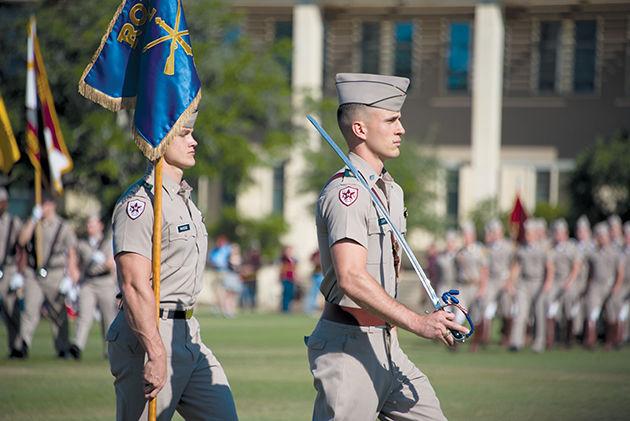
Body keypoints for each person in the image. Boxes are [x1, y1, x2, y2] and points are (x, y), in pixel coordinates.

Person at [306, 72, 468, 421]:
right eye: (392, 120)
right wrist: (418, 323)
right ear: (361, 129)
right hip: (349, 347)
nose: (401, 129)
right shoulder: (346, 193)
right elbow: (350, 277)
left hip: (387, 344)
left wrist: (430, 315)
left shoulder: (390, 191)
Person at [108, 114, 238, 420]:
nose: (194, 142)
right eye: (185, 135)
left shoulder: (185, 201)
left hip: (188, 333)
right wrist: (154, 352)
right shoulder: (140, 204)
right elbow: (134, 285)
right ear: (161, 140)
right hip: (150, 332)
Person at [13, 193, 80, 358]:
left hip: (55, 273)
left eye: (45, 204)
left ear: (52, 205)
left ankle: (62, 347)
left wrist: (71, 277)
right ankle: (23, 345)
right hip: (33, 273)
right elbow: (21, 241)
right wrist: (32, 220)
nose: (43, 207)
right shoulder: (33, 223)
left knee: (58, 312)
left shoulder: (62, 226)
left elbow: (71, 251)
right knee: (29, 310)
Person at [69, 215, 117, 360]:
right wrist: (75, 278)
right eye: (88, 224)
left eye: (92, 224)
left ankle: (110, 349)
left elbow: (111, 264)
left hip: (105, 282)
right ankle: (77, 346)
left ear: (100, 226)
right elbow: (74, 260)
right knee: (84, 315)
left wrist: (102, 261)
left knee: (108, 317)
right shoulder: (82, 243)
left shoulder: (108, 242)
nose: (89, 227)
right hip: (88, 283)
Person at [507, 219, 554, 352]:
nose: (526, 235)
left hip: (539, 282)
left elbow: (549, 268)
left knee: (539, 314)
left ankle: (539, 342)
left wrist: (548, 283)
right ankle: (516, 342)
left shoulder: (544, 249)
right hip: (524, 283)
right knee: (520, 312)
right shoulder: (521, 249)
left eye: (529, 233)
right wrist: (511, 283)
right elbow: (517, 267)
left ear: (534, 234)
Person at [583, 222, 623, 349]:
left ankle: (611, 341)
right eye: (598, 236)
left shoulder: (616, 252)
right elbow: (589, 272)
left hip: (610, 284)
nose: (600, 238)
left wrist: (617, 286)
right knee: (592, 312)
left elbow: (620, 272)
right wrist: (587, 286)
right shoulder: (593, 252)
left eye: (603, 236)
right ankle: (591, 340)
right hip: (596, 284)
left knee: (611, 314)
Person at [546, 219, 582, 350]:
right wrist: (549, 284)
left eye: (560, 232)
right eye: (556, 232)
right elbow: (550, 267)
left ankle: (568, 339)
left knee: (569, 310)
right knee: (550, 307)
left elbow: (576, 267)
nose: (558, 235)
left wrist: (569, 282)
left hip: (569, 280)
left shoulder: (572, 247)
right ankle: (551, 340)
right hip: (556, 281)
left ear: (566, 233)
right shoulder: (551, 248)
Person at [454, 221, 488, 351]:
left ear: (472, 236)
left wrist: (482, 288)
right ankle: (456, 342)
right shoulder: (460, 252)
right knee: (459, 313)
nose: (465, 238)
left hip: (475, 286)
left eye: (467, 235)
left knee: (476, 316)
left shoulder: (479, 251)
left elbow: (484, 270)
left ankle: (475, 343)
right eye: (463, 235)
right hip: (462, 286)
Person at [0, 187, 24, 357]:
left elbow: (21, 247)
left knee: (11, 309)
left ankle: (15, 345)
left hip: (8, 268)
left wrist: (19, 272)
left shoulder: (13, 222)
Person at [482, 219, 513, 348]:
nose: (494, 234)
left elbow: (514, 265)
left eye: (496, 232)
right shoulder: (487, 248)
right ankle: (485, 336)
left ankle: (506, 335)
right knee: (486, 306)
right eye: (492, 232)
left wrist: (510, 282)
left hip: (505, 279)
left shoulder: (509, 246)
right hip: (491, 280)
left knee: (506, 308)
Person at [604, 221, 629, 348]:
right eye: (625, 234)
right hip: (621, 284)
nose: (626, 237)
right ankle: (616, 337)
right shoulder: (620, 250)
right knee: (615, 308)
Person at [240, 246, 261, 311]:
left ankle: (252, 306)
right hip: (245, 279)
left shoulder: (256, 259)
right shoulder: (245, 259)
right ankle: (243, 306)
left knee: (252, 294)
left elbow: (257, 267)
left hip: (252, 278)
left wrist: (250, 270)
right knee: (244, 293)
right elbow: (241, 267)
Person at [305, 249, 324, 315]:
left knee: (323, 294)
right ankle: (310, 309)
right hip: (316, 274)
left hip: (322, 274)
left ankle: (321, 309)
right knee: (313, 292)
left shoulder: (325, 252)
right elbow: (311, 260)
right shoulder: (316, 253)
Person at [279, 245, 297, 313]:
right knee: (286, 294)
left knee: (290, 294)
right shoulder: (283, 259)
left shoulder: (292, 259)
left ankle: (288, 308)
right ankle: (285, 309)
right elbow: (282, 269)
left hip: (291, 279)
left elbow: (294, 269)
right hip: (286, 278)